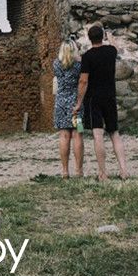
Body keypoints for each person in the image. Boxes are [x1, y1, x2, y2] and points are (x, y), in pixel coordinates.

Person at [73, 24, 128, 181]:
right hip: (110, 96)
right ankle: (124, 171)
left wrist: (79, 103)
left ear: (89, 38)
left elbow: (83, 81)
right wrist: (109, 35)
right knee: (114, 133)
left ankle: (103, 173)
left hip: (94, 98)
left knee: (98, 135)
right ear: (102, 36)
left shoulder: (87, 56)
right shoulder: (111, 52)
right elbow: (115, 46)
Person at [53, 39, 84, 179]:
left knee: (63, 136)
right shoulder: (79, 65)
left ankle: (65, 171)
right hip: (76, 104)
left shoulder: (56, 64)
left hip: (60, 104)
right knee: (78, 134)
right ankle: (79, 170)